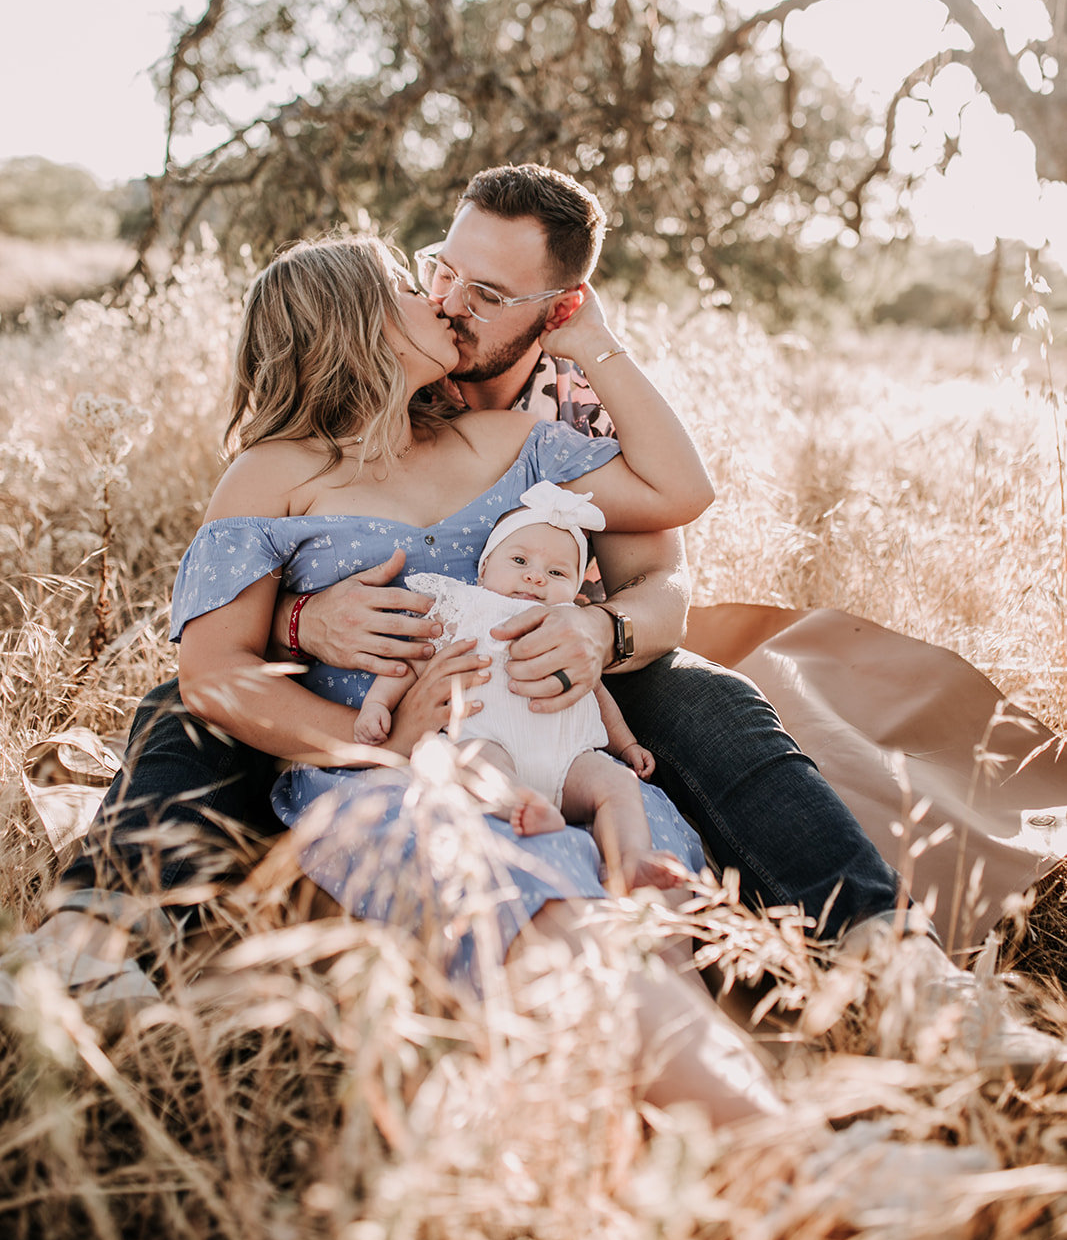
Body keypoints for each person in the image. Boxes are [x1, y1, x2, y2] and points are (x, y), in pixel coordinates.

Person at [7, 165, 1064, 1077]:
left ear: (553, 309)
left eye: (486, 293)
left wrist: (596, 639)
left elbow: (665, 580)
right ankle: (92, 933)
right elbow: (243, 595)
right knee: (178, 707)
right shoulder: (330, 433)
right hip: (379, 702)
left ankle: (892, 964)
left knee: (704, 692)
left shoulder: (565, 409)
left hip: (553, 678)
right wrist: (304, 625)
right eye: (437, 272)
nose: (449, 300)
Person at [165, 228, 779, 1123]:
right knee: (541, 910)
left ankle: (724, 1149)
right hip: (388, 784)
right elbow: (213, 676)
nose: (441, 299)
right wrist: (376, 740)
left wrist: (594, 343)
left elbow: (678, 489)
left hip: (558, 758)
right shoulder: (268, 476)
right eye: (410, 289)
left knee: (641, 898)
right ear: (356, 325)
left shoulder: (507, 438)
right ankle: (789, 1151)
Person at [355, 479, 686, 893]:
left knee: (618, 784)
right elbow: (410, 661)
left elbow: (598, 693)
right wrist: (376, 706)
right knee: (466, 762)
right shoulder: (466, 610)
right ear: (484, 568)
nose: (535, 579)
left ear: (577, 589)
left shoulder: (570, 626)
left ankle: (631, 859)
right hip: (489, 740)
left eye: (556, 572)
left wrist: (625, 745)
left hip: (572, 761)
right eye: (519, 560)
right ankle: (520, 804)